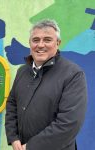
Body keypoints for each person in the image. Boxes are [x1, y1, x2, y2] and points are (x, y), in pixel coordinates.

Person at [5, 19, 87, 150]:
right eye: (35, 40)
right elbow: (12, 105)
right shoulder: (22, 71)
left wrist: (30, 147)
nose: (40, 45)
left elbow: (69, 123)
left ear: (58, 43)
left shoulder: (73, 75)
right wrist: (13, 138)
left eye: (47, 40)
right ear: (30, 43)